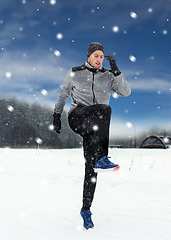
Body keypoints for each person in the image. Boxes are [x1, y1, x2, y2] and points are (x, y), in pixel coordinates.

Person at [52, 42, 131, 230]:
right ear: (88, 56)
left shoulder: (108, 75)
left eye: (102, 56)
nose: (99, 59)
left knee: (91, 168)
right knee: (104, 109)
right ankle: (103, 157)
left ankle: (86, 210)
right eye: (95, 55)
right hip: (78, 117)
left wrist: (117, 72)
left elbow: (126, 92)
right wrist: (56, 115)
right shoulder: (75, 72)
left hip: (96, 128)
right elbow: (63, 94)